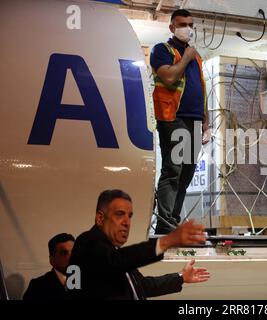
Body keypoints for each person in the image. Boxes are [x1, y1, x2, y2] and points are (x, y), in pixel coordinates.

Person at [69, 189, 210, 300]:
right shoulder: (87, 242)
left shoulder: (113, 252)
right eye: (119, 214)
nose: (126, 222)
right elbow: (115, 261)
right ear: (100, 218)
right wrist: (168, 240)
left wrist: (181, 277)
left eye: (129, 216)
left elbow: (142, 286)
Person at [150, 9, 210, 234]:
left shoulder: (197, 56)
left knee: (187, 171)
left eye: (190, 24)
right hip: (173, 117)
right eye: (182, 24)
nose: (188, 28)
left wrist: (206, 120)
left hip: (194, 119)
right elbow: (169, 76)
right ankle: (164, 222)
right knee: (173, 169)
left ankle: (173, 218)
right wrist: (185, 57)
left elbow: (201, 87)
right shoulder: (162, 50)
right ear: (172, 27)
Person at [22, 233, 75, 300]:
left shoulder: (86, 282)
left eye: (73, 252)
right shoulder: (38, 286)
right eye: (64, 253)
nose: (71, 257)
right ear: (52, 260)